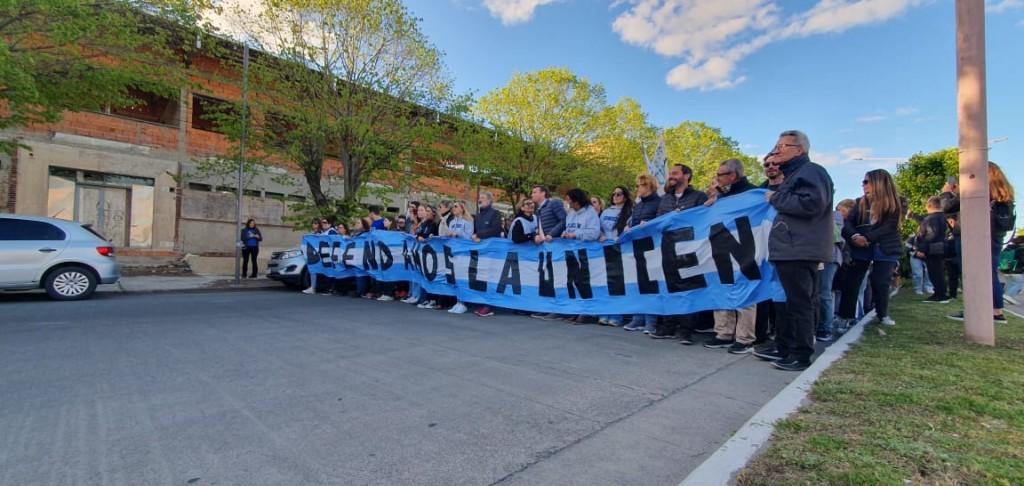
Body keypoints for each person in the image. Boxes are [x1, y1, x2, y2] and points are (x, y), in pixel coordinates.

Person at [756, 130, 834, 372]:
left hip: (799, 249)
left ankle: (800, 355)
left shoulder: (812, 172)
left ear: (800, 150)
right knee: (789, 303)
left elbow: (812, 204)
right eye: (776, 145)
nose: (777, 150)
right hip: (791, 248)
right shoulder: (795, 174)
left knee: (800, 304)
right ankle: (785, 347)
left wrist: (776, 198)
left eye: (783, 146)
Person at [699, 159, 760, 354]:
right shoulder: (721, 196)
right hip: (722, 246)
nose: (717, 178)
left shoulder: (751, 192)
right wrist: (713, 199)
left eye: (720, 175)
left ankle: (744, 338)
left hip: (745, 247)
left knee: (745, 292)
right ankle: (723, 333)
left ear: (733, 176)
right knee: (722, 289)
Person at [836, 169, 904, 331]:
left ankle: (882, 314)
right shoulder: (859, 202)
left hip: (885, 247)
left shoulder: (897, 202)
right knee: (852, 282)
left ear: (878, 183)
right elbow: (847, 224)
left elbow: (890, 227)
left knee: (880, 281)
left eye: (866, 182)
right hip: (860, 247)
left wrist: (868, 238)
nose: (863, 185)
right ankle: (846, 316)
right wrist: (855, 237)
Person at [948, 161, 1016, 322]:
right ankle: (996, 311)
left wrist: (950, 193)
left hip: (977, 236)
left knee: (973, 273)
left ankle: (977, 309)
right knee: (989, 272)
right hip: (995, 237)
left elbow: (947, 207)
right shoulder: (1002, 194)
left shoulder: (977, 192)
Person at [649, 164, 708, 342]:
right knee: (669, 288)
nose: (671, 176)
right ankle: (668, 325)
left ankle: (686, 329)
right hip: (668, 248)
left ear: (687, 176)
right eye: (670, 174)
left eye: (675, 173)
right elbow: (658, 222)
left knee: (689, 289)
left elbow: (703, 220)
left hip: (690, 249)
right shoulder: (665, 199)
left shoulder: (699, 197)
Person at [622, 173, 664, 332]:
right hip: (637, 247)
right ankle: (638, 318)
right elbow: (633, 222)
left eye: (639, 185)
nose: (636, 189)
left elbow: (661, 222)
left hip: (652, 247)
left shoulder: (659, 202)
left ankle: (651, 321)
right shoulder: (638, 206)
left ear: (648, 186)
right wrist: (628, 228)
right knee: (637, 284)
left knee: (651, 284)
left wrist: (649, 224)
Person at [561, 188, 602, 325]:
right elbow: (569, 228)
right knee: (572, 281)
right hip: (572, 251)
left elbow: (594, 232)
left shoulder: (590, 213)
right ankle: (578, 309)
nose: (568, 203)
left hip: (585, 253)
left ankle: (588, 312)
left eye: (569, 200)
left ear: (576, 200)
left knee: (583, 282)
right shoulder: (571, 214)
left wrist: (577, 234)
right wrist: (565, 233)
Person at [597, 186, 633, 327]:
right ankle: (604, 312)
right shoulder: (606, 212)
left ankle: (616, 315)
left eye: (618, 194)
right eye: (614, 193)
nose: (615, 196)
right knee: (604, 282)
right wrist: (600, 236)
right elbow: (599, 228)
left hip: (621, 251)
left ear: (624, 197)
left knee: (617, 284)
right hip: (605, 250)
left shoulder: (629, 212)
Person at [473, 191, 504, 317]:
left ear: (490, 201)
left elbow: (496, 230)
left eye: (483, 198)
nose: (480, 200)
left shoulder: (495, 214)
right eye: (479, 198)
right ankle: (482, 301)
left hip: (491, 251)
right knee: (482, 277)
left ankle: (489, 305)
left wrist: (479, 235)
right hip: (481, 251)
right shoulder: (478, 216)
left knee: (490, 277)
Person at [913, 196, 950, 304]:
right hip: (938, 247)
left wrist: (921, 248)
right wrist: (914, 216)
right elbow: (925, 223)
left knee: (935, 272)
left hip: (932, 248)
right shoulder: (940, 217)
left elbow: (931, 234)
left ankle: (939, 295)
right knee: (937, 271)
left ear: (929, 206)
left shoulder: (933, 218)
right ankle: (940, 293)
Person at [445, 200, 474, 314]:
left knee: (462, 278)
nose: (453, 208)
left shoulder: (468, 221)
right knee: (456, 278)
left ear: (462, 208)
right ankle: (458, 301)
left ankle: (463, 302)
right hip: (454, 252)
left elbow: (470, 237)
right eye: (452, 206)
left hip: (463, 253)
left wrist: (459, 234)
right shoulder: (452, 222)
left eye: (456, 206)